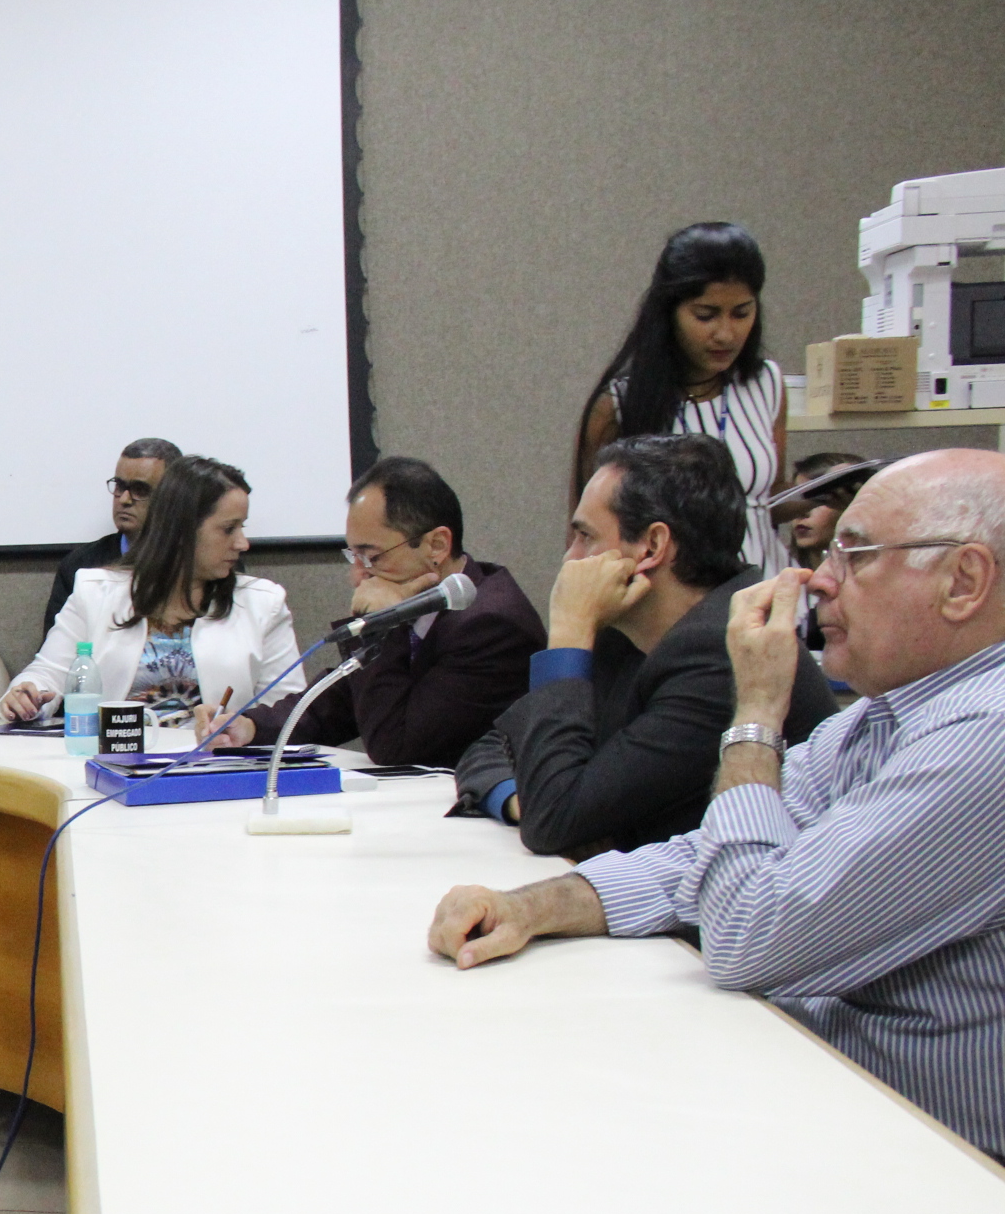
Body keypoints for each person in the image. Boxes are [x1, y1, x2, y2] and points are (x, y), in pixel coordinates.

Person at [428, 449, 1005, 1156]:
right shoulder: (880, 717)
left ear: (963, 582)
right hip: (833, 1092)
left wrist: (756, 712)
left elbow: (748, 935)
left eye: (855, 555)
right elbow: (706, 855)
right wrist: (531, 908)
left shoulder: (987, 737)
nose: (820, 580)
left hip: (935, 1156)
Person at [453, 434, 836, 858]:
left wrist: (569, 632)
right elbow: (495, 745)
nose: (570, 559)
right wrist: (518, 797)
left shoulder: (722, 653)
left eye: (585, 536)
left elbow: (553, 821)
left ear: (651, 545)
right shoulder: (629, 633)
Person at [233, 456, 542, 766]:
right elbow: (341, 702)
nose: (357, 576)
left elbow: (395, 746)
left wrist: (377, 625)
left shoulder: (491, 626)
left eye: (372, 557)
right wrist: (250, 727)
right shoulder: (419, 600)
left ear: (437, 545)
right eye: (353, 556)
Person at [0, 455, 300, 743]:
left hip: (217, 765)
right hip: (112, 761)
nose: (242, 543)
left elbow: (290, 712)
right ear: (181, 531)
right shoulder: (95, 592)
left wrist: (247, 729)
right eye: (228, 529)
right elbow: (47, 673)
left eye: (242, 527)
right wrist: (28, 695)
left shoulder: (264, 604)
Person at [574, 224, 788, 575]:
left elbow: (767, 500)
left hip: (766, 590)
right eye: (706, 315)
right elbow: (587, 534)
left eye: (741, 313)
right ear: (669, 313)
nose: (726, 333)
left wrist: (823, 496)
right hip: (672, 602)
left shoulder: (766, 383)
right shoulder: (619, 404)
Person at [43, 438, 181, 635]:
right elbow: (57, 647)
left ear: (173, 496)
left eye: (140, 490)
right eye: (120, 486)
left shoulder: (198, 564)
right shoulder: (81, 565)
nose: (124, 499)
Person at [776, 450, 876, 570]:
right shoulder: (774, 570)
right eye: (797, 498)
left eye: (820, 498)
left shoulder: (876, 572)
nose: (802, 512)